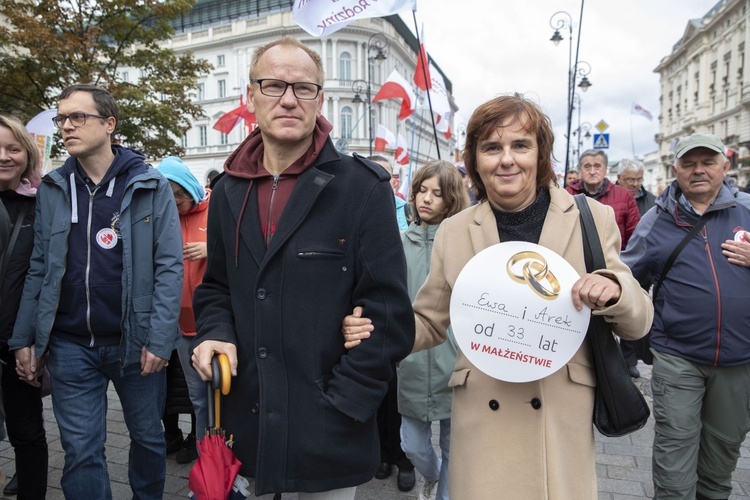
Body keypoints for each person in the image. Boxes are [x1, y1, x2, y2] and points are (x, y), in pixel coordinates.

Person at [342, 94, 653, 499]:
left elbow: (638, 321)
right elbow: (428, 321)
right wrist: (375, 327)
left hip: (559, 416)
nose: (507, 159)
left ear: (541, 154)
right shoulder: (455, 231)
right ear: (474, 161)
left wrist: (614, 289)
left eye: (520, 145)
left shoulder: (591, 217)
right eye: (492, 147)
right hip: (484, 414)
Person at [190, 37, 414, 499]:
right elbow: (216, 289)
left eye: (303, 87)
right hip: (248, 420)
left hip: (328, 431)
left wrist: (347, 402)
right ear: (251, 96)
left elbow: (390, 315)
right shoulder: (230, 190)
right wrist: (216, 334)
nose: (289, 98)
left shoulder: (361, 187)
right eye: (274, 85)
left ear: (319, 98)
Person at [9, 84, 183, 499]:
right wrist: (25, 339)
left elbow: (169, 266)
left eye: (77, 117)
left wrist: (159, 339)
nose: (66, 126)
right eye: (62, 118)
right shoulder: (53, 186)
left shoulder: (149, 184)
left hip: (135, 342)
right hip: (70, 346)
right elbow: (39, 269)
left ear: (109, 124)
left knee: (147, 439)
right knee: (81, 450)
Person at [622, 133, 750, 500]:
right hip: (677, 357)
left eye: (707, 162)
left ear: (724, 166)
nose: (698, 171)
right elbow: (628, 278)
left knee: (721, 459)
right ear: (674, 169)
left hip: (739, 360)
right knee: (674, 455)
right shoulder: (656, 220)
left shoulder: (747, 210)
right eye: (688, 163)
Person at [398, 160, 468, 500]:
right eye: (422, 191)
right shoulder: (397, 244)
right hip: (410, 360)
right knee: (411, 445)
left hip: (455, 362)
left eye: (437, 193)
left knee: (457, 450)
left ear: (451, 200)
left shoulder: (465, 245)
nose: (426, 199)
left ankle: (445, 492)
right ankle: (436, 477)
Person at [0, 115, 48, 499]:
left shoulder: (41, 206)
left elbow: (47, 277)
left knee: (27, 434)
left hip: (18, 343)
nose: (4, 157)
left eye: (13, 149)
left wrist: (30, 339)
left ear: (26, 155)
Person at [157, 155, 210, 464]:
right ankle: (207, 458)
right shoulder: (164, 216)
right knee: (197, 397)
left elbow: (247, 250)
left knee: (226, 394)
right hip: (180, 324)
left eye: (177, 202)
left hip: (217, 323)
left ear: (190, 191)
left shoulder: (218, 208)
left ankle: (232, 452)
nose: (173, 209)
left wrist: (211, 249)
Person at [616, 158, 657, 369]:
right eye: (630, 179)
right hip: (621, 260)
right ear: (619, 179)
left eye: (639, 179)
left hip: (643, 267)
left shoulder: (652, 201)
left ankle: (629, 359)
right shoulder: (616, 198)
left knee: (633, 311)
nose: (635, 184)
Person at [566, 149, 641, 251]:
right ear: (580, 170)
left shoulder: (624, 196)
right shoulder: (567, 195)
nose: (592, 172)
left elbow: (634, 236)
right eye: (587, 167)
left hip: (613, 261)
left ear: (605, 169)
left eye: (597, 167)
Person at [368, 155, 409, 233]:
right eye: (375, 175)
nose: (381, 180)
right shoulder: (350, 208)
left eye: (386, 176)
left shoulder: (406, 209)